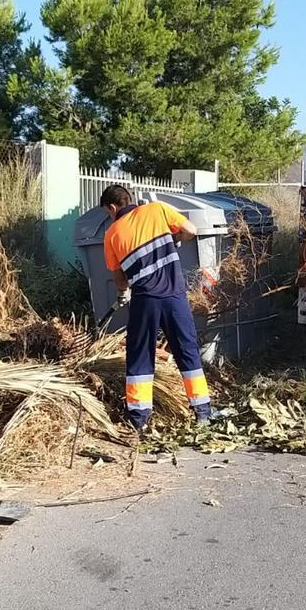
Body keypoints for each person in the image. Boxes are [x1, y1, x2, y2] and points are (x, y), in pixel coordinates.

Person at [100, 184, 212, 431]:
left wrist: (122, 293)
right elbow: (190, 230)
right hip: (175, 297)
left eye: (109, 213)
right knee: (187, 350)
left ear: (112, 207)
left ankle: (139, 420)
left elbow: (119, 277)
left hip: (145, 300)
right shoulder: (157, 209)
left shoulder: (112, 234)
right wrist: (175, 239)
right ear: (129, 199)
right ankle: (202, 412)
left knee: (140, 356)